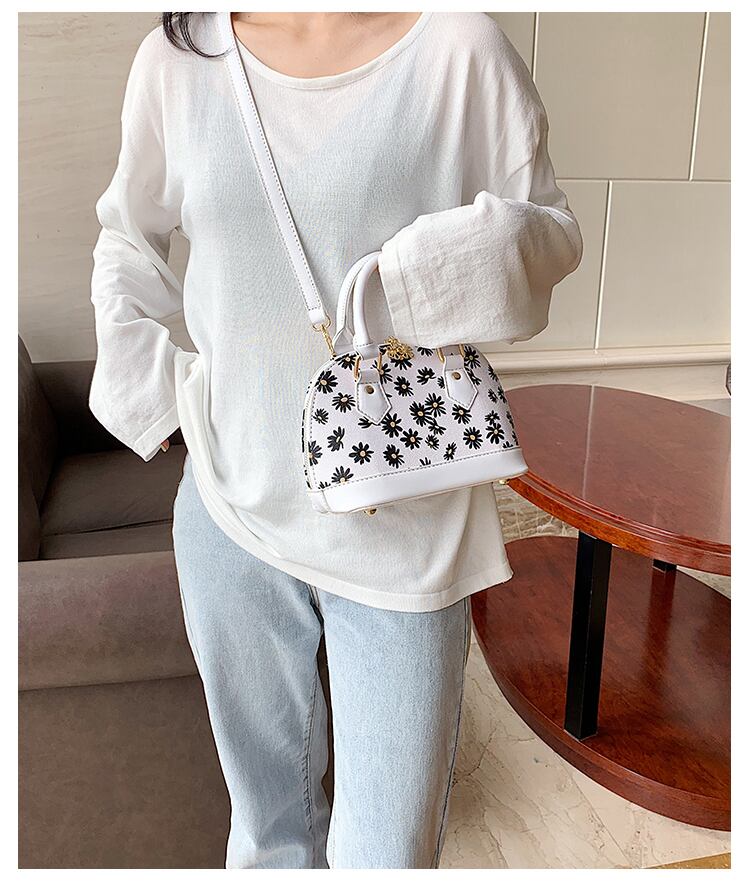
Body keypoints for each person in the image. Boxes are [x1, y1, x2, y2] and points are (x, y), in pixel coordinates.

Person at [89, 11, 582, 869]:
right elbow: (128, 237)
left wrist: (419, 276)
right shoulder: (181, 57)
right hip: (229, 505)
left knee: (387, 854)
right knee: (267, 833)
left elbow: (551, 235)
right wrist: (151, 398)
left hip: (405, 518)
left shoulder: (456, 47)